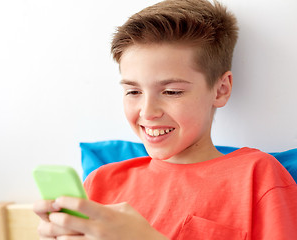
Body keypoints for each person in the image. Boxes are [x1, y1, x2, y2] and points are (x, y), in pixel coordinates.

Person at [33, 0, 297, 239]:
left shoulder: (257, 176)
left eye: (172, 91)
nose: (148, 112)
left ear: (221, 89)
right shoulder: (101, 183)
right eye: (133, 91)